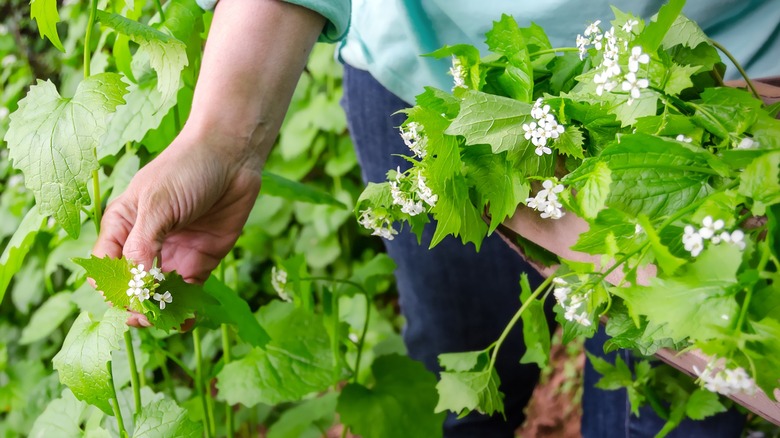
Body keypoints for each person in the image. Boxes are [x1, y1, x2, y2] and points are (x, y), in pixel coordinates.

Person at [93, 0, 780, 436]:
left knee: (660, 404)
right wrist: (222, 136)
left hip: (711, 119)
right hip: (424, 94)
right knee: (455, 358)